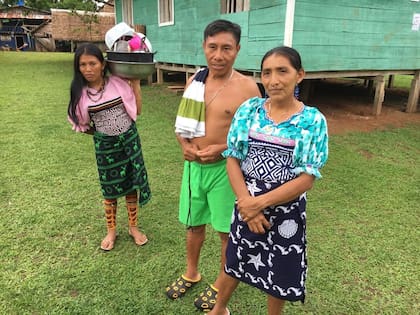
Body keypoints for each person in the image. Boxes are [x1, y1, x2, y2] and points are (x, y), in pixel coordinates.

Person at [208, 46, 329, 315]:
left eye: (282, 71)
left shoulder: (312, 121)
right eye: (267, 73)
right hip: (246, 203)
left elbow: (307, 178)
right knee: (235, 260)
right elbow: (232, 158)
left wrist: (257, 204)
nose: (273, 80)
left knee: (281, 272)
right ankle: (219, 310)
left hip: (286, 214)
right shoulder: (249, 110)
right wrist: (246, 204)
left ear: (299, 75)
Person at [165, 19, 261, 311]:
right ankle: (192, 272)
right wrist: (185, 146)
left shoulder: (248, 88)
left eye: (226, 48)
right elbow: (183, 124)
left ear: (238, 50)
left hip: (226, 171)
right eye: (213, 47)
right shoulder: (196, 80)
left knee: (224, 231)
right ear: (204, 47)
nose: (219, 55)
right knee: (193, 225)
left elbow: (254, 137)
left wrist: (222, 149)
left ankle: (221, 280)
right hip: (194, 169)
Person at [67, 43, 151, 251]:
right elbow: (81, 124)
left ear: (102, 64)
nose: (88, 69)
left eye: (92, 63)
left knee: (131, 184)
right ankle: (111, 231)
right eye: (83, 65)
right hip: (106, 147)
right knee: (110, 188)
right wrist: (103, 135)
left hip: (130, 141)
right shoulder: (80, 93)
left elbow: (137, 110)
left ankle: (133, 227)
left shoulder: (118, 83)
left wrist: (137, 85)